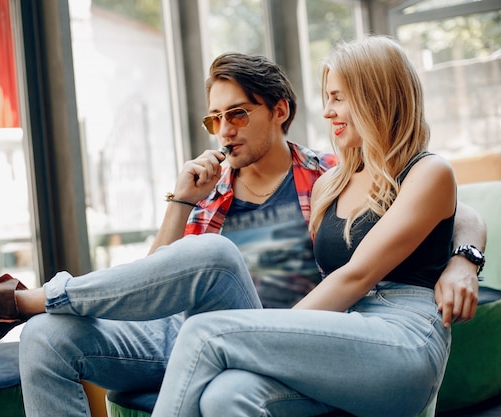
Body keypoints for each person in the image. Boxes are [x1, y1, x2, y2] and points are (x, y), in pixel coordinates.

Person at [0, 44, 484, 417]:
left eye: (238, 114)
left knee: (214, 278)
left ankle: (11, 302)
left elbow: (441, 209)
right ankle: (20, 308)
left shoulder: (325, 173)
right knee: (48, 337)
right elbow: (145, 280)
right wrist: (178, 201)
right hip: (216, 323)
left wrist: (465, 256)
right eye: (214, 117)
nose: (223, 130)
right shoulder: (242, 189)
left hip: (291, 327)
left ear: (279, 111)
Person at [147, 35, 483, 417]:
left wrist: (465, 260)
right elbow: (163, 275)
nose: (327, 112)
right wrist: (180, 201)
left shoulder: (426, 171)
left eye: (338, 97)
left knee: (205, 333)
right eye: (327, 98)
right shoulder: (334, 181)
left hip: (401, 333)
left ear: (375, 95)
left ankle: (65, 290)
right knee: (226, 394)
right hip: (341, 329)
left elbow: (360, 273)